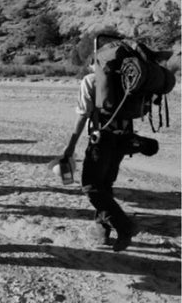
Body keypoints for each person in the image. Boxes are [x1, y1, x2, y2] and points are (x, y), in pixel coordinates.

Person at [62, 34, 140, 252]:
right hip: (123, 138)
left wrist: (70, 146)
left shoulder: (90, 80)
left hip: (101, 139)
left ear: (94, 62)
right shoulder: (127, 78)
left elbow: (82, 116)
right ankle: (102, 231)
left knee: (91, 185)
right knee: (105, 184)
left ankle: (124, 226)